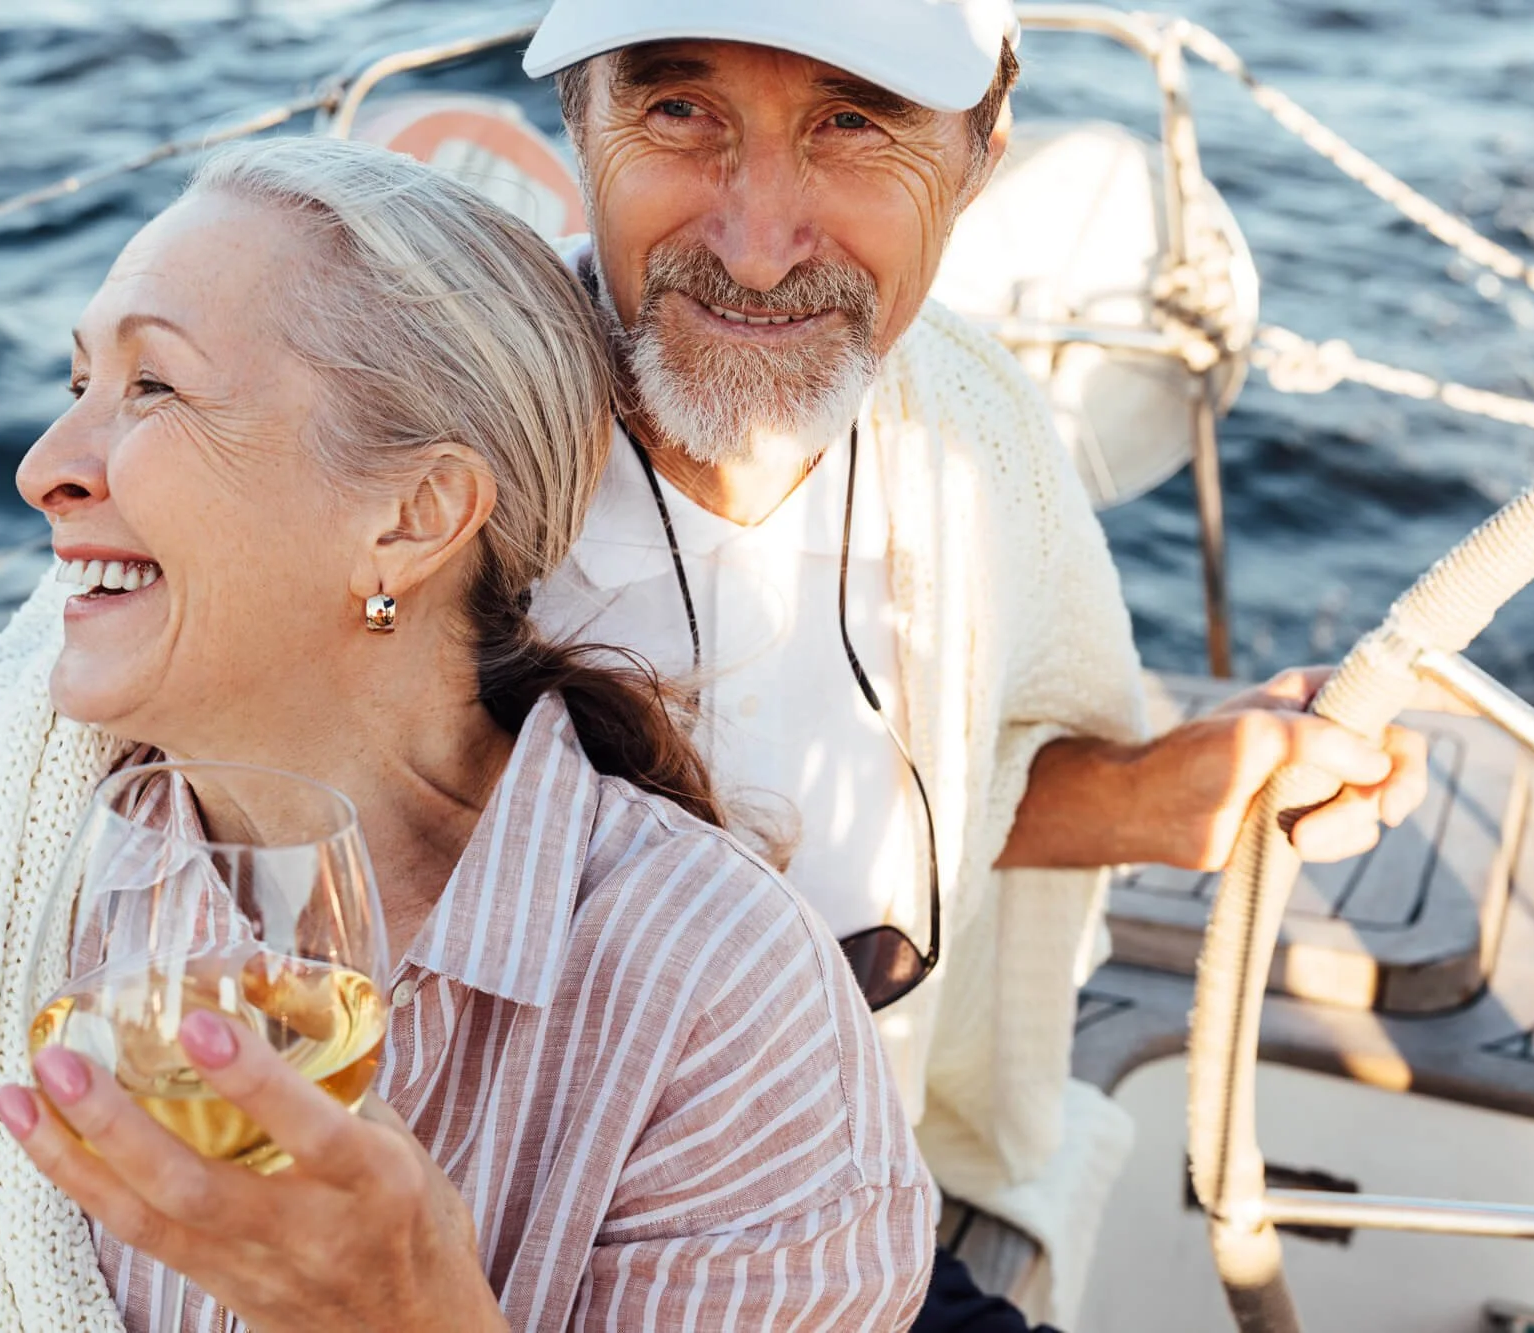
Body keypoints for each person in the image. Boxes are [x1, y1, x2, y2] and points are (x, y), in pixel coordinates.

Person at [0, 137, 933, 1331]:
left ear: (412, 515)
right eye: (79, 386)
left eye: (152, 385)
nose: (45, 465)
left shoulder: (721, 1003)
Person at [518, 0, 1429, 1326]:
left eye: (855, 123)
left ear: (980, 156)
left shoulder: (974, 425)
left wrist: (1166, 796)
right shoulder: (428, 434)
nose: (759, 249)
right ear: (577, 121)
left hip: (850, 1220)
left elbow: (952, 789)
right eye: (677, 112)